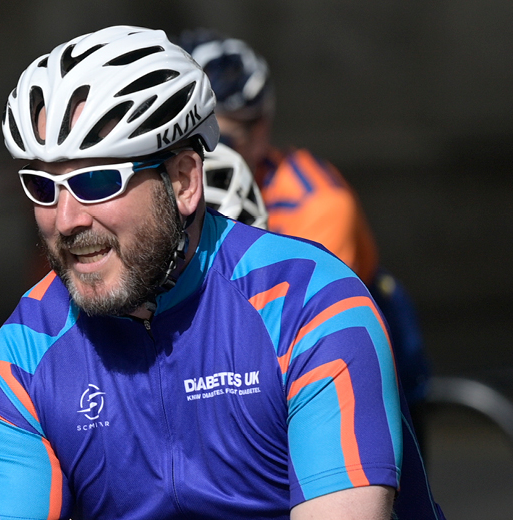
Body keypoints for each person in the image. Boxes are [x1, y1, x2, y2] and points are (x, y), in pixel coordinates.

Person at [0, 26, 458, 520]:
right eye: (43, 186)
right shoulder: (22, 356)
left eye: (96, 181)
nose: (65, 221)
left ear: (183, 179)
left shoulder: (309, 303)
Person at [177, 29, 433, 440]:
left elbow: (307, 329)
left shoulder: (317, 203)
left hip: (346, 354)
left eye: (221, 139)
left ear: (260, 128)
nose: (203, 155)